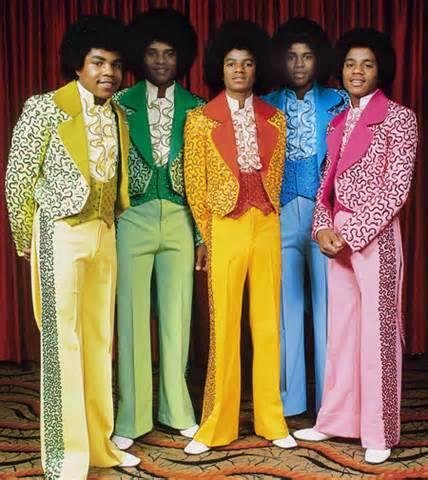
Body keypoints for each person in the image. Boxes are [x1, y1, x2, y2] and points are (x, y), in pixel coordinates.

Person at [5, 15, 140, 479]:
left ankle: (99, 446)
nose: (109, 72)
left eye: (115, 64)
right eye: (98, 62)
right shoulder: (45, 108)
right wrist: (25, 236)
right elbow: (18, 177)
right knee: (62, 342)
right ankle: (66, 460)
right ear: (77, 65)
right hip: (59, 233)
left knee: (100, 340)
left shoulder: (119, 115)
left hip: (104, 231)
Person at [293, 28, 418, 465]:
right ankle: (336, 419)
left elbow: (396, 189)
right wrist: (322, 228)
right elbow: (325, 186)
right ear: (340, 70)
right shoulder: (338, 121)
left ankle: (380, 431)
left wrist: (353, 232)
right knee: (342, 330)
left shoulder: (400, 118)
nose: (357, 71)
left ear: (380, 69)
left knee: (378, 332)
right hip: (338, 235)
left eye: (366, 64)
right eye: (350, 64)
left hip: (375, 235)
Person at [183, 20, 297, 454]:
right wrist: (207, 234)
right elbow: (195, 184)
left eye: (247, 63)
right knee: (224, 325)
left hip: (266, 223)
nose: (239, 70)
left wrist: (267, 212)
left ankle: (272, 420)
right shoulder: (199, 120)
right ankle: (216, 425)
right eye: (232, 63)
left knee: (267, 325)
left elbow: (276, 175)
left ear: (257, 68)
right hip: (225, 226)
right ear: (220, 67)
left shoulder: (276, 119)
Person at [112, 8, 204, 451]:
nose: (161, 60)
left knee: (177, 316)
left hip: (182, 218)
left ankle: (177, 410)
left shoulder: (198, 108)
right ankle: (131, 417)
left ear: (181, 56)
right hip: (133, 216)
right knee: (130, 316)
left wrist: (202, 235)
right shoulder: (119, 103)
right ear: (140, 56)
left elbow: (204, 179)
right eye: (152, 52)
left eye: (169, 53)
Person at [263, 18, 348, 417]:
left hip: (324, 216)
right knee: (286, 309)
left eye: (308, 56)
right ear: (280, 60)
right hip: (280, 214)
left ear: (320, 60)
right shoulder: (265, 105)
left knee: (328, 308)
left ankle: (330, 402)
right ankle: (290, 399)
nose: (299, 64)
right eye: (292, 56)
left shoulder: (338, 102)